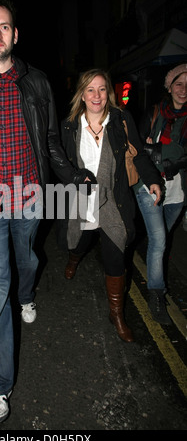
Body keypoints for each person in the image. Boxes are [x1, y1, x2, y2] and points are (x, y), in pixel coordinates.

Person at [0, 0, 93, 425]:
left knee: (26, 261)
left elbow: (50, 140)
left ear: (15, 33)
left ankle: (28, 294)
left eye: (4, 27)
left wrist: (72, 176)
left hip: (31, 196)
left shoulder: (37, 82)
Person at [56, 69, 162, 343]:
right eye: (90, 89)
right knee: (78, 242)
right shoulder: (68, 125)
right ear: (81, 93)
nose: (96, 95)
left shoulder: (120, 120)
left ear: (109, 94)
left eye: (102, 89)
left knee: (116, 256)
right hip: (81, 201)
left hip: (113, 200)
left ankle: (116, 314)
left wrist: (152, 180)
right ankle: (74, 258)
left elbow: (137, 155)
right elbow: (59, 164)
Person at [136, 63, 187, 325]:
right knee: (159, 241)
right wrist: (162, 156)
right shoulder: (155, 112)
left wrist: (164, 155)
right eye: (179, 83)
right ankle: (156, 295)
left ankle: (152, 260)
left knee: (161, 238)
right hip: (150, 186)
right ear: (170, 87)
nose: (183, 90)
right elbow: (138, 148)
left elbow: (168, 154)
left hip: (178, 192)